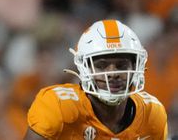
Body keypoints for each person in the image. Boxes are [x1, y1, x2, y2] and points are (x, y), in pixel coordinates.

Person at [24, 19, 168, 139]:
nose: (112, 73)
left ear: (136, 66)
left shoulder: (152, 114)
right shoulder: (58, 107)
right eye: (101, 65)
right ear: (84, 68)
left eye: (121, 65)